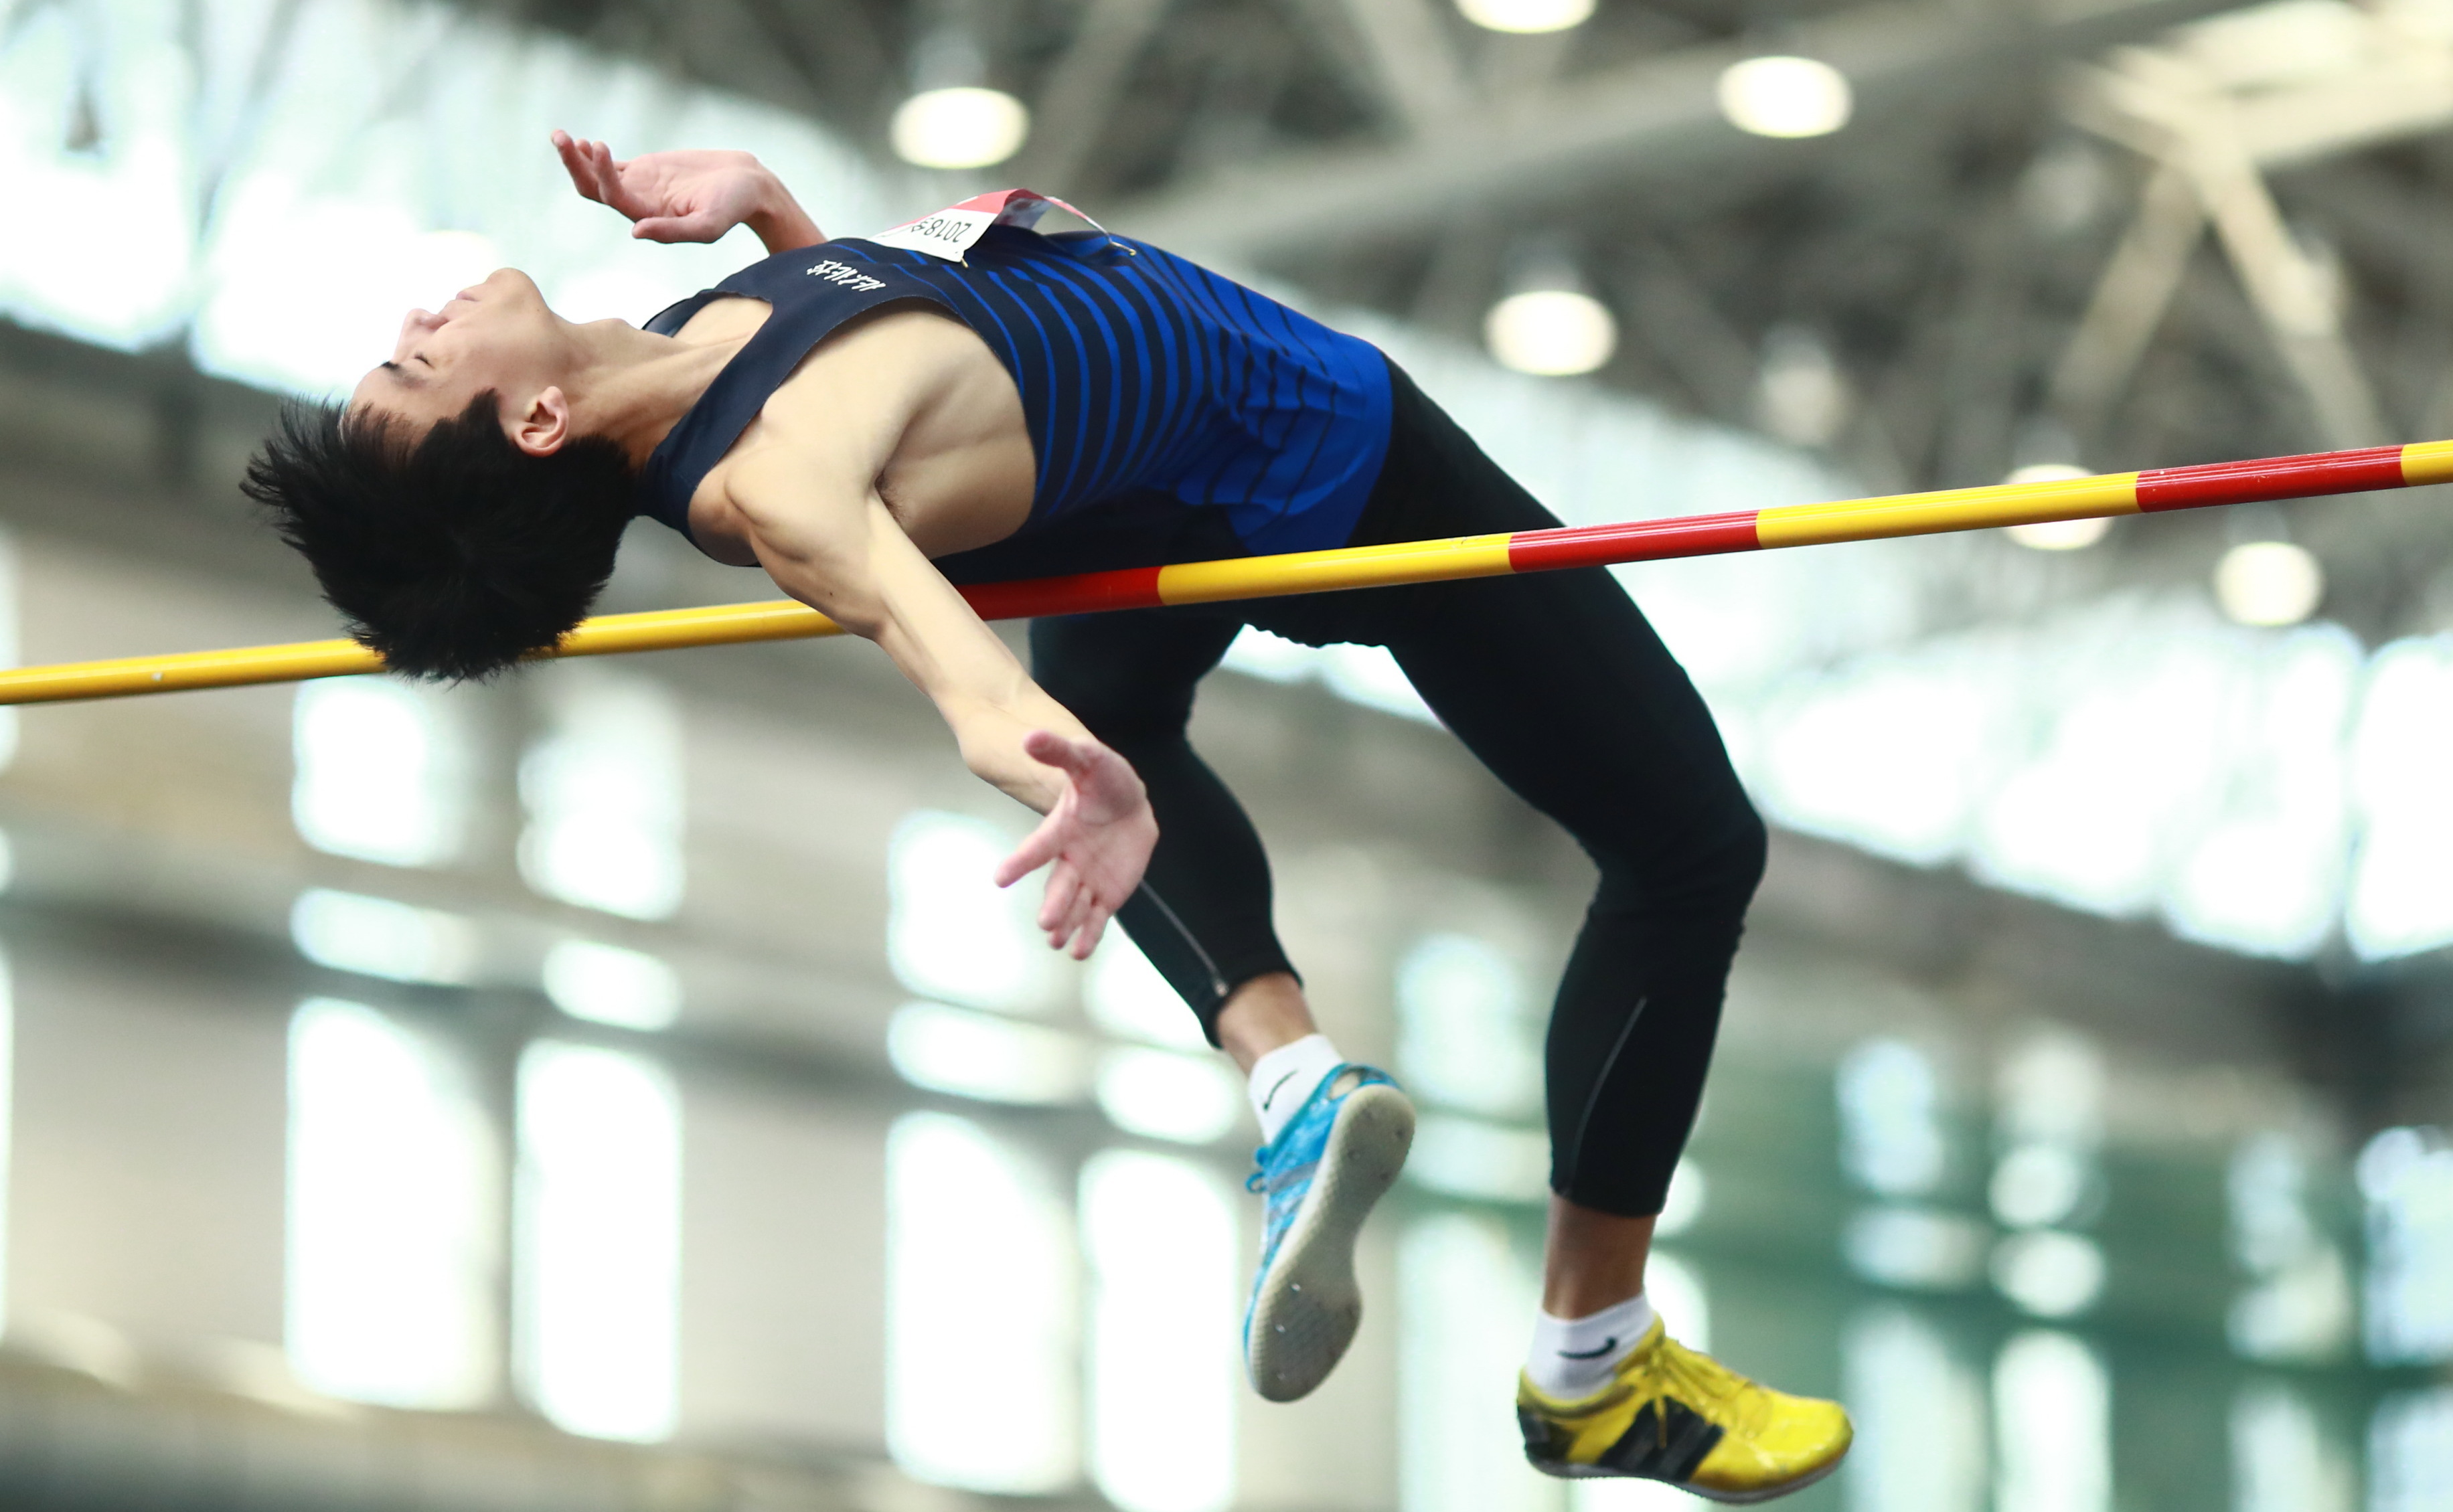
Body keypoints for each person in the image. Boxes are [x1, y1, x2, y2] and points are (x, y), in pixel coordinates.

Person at [244, 131, 1852, 1501]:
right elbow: (949, 659)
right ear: (531, 426)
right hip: (1332, 462)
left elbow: (914, 349)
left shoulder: (694, 332)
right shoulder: (772, 486)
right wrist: (1057, 767)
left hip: (1139, 487)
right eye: (414, 360)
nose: (419, 317)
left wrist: (772, 209)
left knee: (1138, 704)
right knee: (1692, 850)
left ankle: (1292, 1079)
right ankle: (1594, 1355)